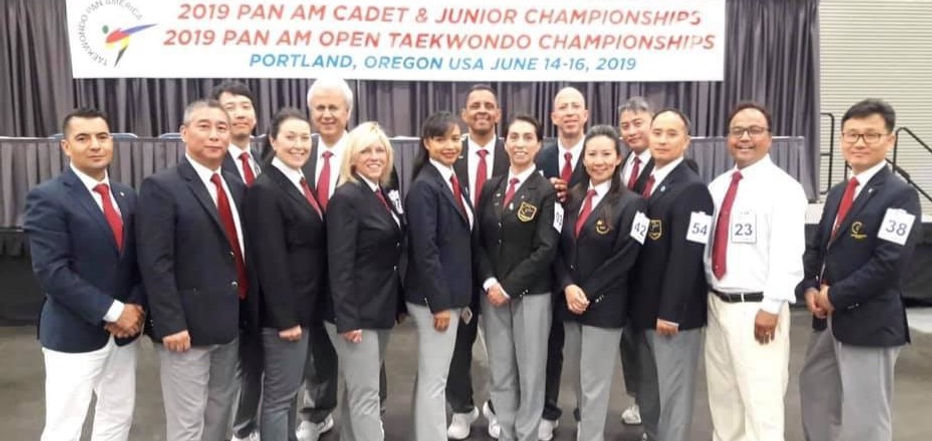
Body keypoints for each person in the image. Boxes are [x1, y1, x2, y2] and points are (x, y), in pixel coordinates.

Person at [797, 99, 921, 441]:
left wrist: (835, 295)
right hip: (826, 320)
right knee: (816, 396)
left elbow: (889, 263)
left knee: (866, 417)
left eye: (871, 135)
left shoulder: (900, 196)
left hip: (869, 322)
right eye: (852, 134)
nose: (860, 142)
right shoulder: (839, 192)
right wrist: (809, 287)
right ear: (841, 138)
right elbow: (817, 247)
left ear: (890, 140)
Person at [24, 108, 145, 441]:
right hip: (72, 333)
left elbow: (140, 262)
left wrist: (133, 308)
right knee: (65, 425)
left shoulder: (127, 196)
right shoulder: (47, 197)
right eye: (83, 138)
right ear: (66, 147)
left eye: (102, 137)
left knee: (118, 415)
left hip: (124, 334)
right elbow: (52, 272)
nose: (95, 145)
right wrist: (114, 311)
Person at [137, 99, 253, 441]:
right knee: (187, 424)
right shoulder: (162, 186)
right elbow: (155, 262)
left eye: (222, 128)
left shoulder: (235, 186)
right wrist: (171, 323)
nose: (215, 135)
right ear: (184, 134)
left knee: (220, 413)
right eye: (205, 127)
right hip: (185, 331)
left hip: (230, 323)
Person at [704, 102, 806, 441]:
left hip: (757, 309)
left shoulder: (784, 189)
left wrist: (772, 305)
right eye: (737, 131)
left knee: (761, 401)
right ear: (727, 138)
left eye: (754, 131)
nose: (745, 138)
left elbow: (789, 253)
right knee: (724, 396)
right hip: (717, 304)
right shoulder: (718, 187)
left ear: (770, 138)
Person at [554, 125, 647, 441]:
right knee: (578, 378)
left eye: (606, 153)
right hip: (571, 303)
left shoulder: (633, 204)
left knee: (595, 381)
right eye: (592, 154)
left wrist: (587, 292)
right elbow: (559, 249)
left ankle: (591, 436)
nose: (598, 160)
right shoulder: (573, 197)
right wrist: (568, 286)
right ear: (583, 160)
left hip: (605, 306)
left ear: (618, 158)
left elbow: (625, 258)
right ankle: (587, 429)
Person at [629, 109, 714, 441]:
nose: (662, 140)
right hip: (642, 309)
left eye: (671, 134)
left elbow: (687, 257)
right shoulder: (645, 181)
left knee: (673, 393)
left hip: (672, 315)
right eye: (658, 132)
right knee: (649, 390)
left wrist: (670, 311)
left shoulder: (694, 191)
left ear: (687, 141)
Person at [242, 108, 325, 441]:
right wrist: (285, 318)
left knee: (289, 393)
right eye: (290, 137)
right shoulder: (266, 189)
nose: (299, 144)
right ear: (273, 141)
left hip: (303, 307)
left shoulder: (298, 180)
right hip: (283, 317)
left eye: (305, 137)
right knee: (278, 398)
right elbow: (269, 261)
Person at [476, 114, 559, 441]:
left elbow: (547, 248)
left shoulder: (546, 190)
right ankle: (507, 432)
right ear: (505, 142)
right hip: (492, 294)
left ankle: (526, 434)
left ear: (539, 145)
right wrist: (488, 282)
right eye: (514, 137)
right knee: (501, 371)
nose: (520, 143)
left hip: (531, 296)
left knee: (531, 372)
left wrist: (509, 287)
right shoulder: (491, 186)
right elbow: (479, 241)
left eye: (528, 137)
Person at [324, 122, 405, 441]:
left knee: (359, 391)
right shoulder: (346, 197)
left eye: (380, 150)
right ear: (352, 158)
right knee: (367, 396)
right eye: (366, 151)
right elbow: (339, 263)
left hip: (380, 307)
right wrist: (348, 318)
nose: (375, 156)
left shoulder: (382, 193)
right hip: (354, 313)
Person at [405, 112, 476, 441]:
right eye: (441, 139)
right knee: (436, 380)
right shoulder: (424, 187)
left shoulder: (449, 177)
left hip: (448, 294)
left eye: (454, 138)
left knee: (431, 375)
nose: (450, 145)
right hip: (434, 299)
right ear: (426, 143)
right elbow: (425, 251)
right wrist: (440, 304)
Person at [448, 84, 509, 440]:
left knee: (503, 347)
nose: (483, 110)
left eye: (489, 105)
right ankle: (461, 408)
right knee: (458, 345)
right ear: (464, 114)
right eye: (475, 106)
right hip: (459, 269)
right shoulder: (449, 153)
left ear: (498, 114)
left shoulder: (513, 151)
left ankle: (500, 407)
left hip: (503, 271)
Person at [297, 76, 355, 441]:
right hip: (308, 272)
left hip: (355, 273)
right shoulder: (297, 152)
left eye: (334, 107)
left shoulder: (367, 150)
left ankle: (367, 413)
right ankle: (317, 412)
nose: (327, 114)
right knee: (316, 346)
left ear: (348, 112)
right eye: (320, 107)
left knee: (361, 349)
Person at [533, 86, 589, 440]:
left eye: (575, 107)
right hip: (548, 266)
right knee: (548, 346)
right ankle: (547, 410)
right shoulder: (541, 157)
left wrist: (576, 195)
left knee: (588, 351)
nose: (569, 112)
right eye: (562, 108)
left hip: (589, 270)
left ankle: (587, 412)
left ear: (585, 115)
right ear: (553, 117)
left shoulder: (602, 151)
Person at [211, 80, 263, 441]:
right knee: (222, 374)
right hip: (224, 287)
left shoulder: (264, 161)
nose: (240, 113)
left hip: (260, 285)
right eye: (230, 108)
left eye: (245, 106)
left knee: (255, 365)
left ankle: (245, 430)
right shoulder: (212, 166)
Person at [615, 96, 655, 426]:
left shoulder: (668, 163)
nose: (631, 131)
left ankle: (653, 407)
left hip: (650, 269)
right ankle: (639, 399)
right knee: (629, 341)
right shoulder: (623, 162)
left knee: (649, 346)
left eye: (637, 123)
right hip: (622, 271)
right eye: (625, 126)